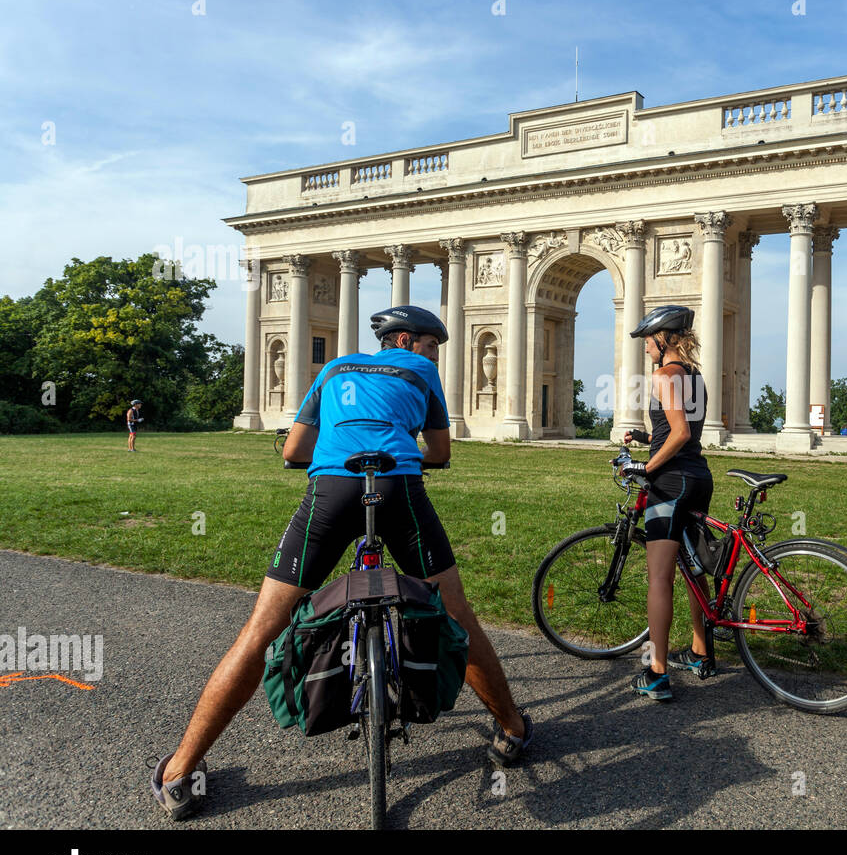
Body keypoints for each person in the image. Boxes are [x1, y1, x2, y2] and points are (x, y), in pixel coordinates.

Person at [151, 305, 533, 820]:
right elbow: (440, 452)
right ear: (404, 339)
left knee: (262, 627)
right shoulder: (420, 372)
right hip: (398, 489)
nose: (434, 354)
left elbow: (294, 448)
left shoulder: (332, 369)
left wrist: (320, 455)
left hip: (329, 491)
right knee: (457, 615)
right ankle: (511, 728)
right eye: (431, 344)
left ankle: (180, 771)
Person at [618, 305, 714, 702]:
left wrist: (645, 466)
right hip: (698, 478)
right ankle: (700, 651)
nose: (644, 349)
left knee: (660, 578)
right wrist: (645, 437)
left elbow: (677, 434)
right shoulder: (695, 377)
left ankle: (656, 673)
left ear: (664, 339)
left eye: (647, 341)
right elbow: (682, 432)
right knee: (695, 568)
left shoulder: (663, 376)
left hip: (671, 482)